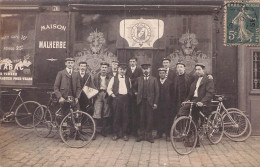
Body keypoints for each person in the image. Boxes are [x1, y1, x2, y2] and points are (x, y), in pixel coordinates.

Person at [178, 63, 215, 147]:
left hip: (203, 103)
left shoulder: (208, 79)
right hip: (194, 101)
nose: (197, 71)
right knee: (183, 110)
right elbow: (191, 92)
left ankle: (195, 140)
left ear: (203, 70)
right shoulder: (195, 78)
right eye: (196, 69)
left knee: (195, 119)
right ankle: (189, 135)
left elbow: (210, 93)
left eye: (199, 69)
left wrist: (202, 102)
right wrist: (187, 100)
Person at [134, 63, 159, 143]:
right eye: (144, 69)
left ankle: (149, 136)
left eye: (147, 69)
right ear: (142, 70)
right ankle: (141, 135)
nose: (145, 70)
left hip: (150, 102)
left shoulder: (154, 79)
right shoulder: (139, 79)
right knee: (141, 118)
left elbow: (157, 92)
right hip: (141, 102)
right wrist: (135, 92)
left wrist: (155, 103)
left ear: (150, 69)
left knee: (149, 118)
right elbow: (134, 88)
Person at [107, 63, 132, 141]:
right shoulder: (113, 78)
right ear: (118, 70)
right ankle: (115, 134)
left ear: (126, 70)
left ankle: (125, 134)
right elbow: (109, 89)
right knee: (116, 117)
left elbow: (130, 88)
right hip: (117, 99)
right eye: (121, 69)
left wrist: (129, 95)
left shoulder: (128, 78)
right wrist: (112, 95)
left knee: (125, 117)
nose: (122, 71)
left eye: (124, 70)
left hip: (125, 99)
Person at [93, 62, 112, 138]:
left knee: (106, 112)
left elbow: (111, 87)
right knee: (97, 112)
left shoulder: (110, 77)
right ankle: (94, 132)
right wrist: (95, 93)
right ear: (100, 68)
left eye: (105, 67)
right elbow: (92, 86)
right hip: (98, 94)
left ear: (107, 69)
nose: (104, 69)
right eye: (102, 67)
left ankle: (104, 130)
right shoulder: (96, 77)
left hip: (106, 94)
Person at [125, 57, 143, 137]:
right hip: (128, 94)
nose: (132, 63)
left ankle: (135, 130)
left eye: (133, 61)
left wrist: (132, 81)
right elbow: (125, 81)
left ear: (136, 62)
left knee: (135, 113)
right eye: (130, 61)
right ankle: (128, 130)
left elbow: (140, 80)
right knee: (128, 112)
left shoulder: (139, 70)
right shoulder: (127, 70)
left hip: (136, 94)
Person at [155, 67, 172, 141]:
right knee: (158, 118)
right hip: (159, 103)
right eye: (160, 73)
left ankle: (167, 134)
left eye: (163, 73)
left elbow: (172, 94)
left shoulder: (170, 82)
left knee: (167, 119)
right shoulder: (156, 82)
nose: (162, 74)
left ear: (165, 74)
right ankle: (159, 133)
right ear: (159, 74)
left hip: (167, 104)